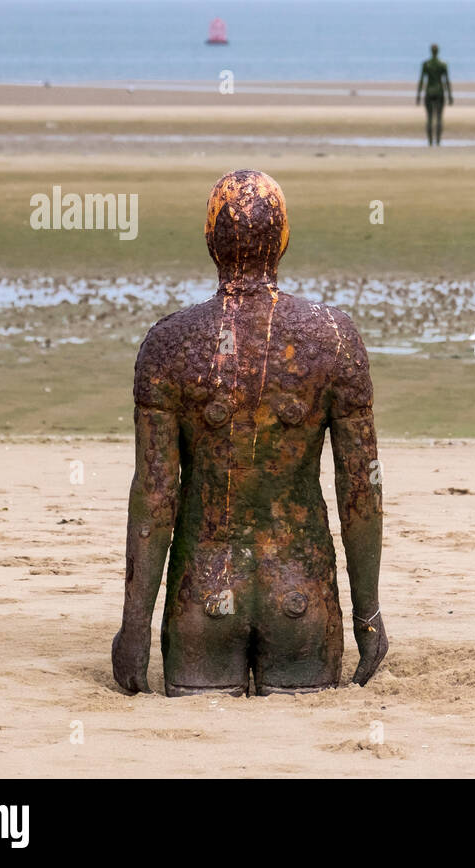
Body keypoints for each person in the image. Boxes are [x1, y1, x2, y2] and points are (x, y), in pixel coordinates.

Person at [112, 169, 387, 696]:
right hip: (301, 596)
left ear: (211, 242)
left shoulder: (169, 346)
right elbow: (362, 490)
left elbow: (154, 496)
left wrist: (135, 626)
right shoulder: (333, 339)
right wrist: (367, 615)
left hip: (205, 596)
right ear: (283, 241)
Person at [417, 43, 453, 145]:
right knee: (439, 117)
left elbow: (421, 81)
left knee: (429, 117)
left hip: (429, 92)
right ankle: (437, 141)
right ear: (438, 51)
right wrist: (450, 95)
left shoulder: (426, 64)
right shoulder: (442, 64)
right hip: (439, 92)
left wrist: (418, 95)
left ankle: (430, 141)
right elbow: (446, 81)